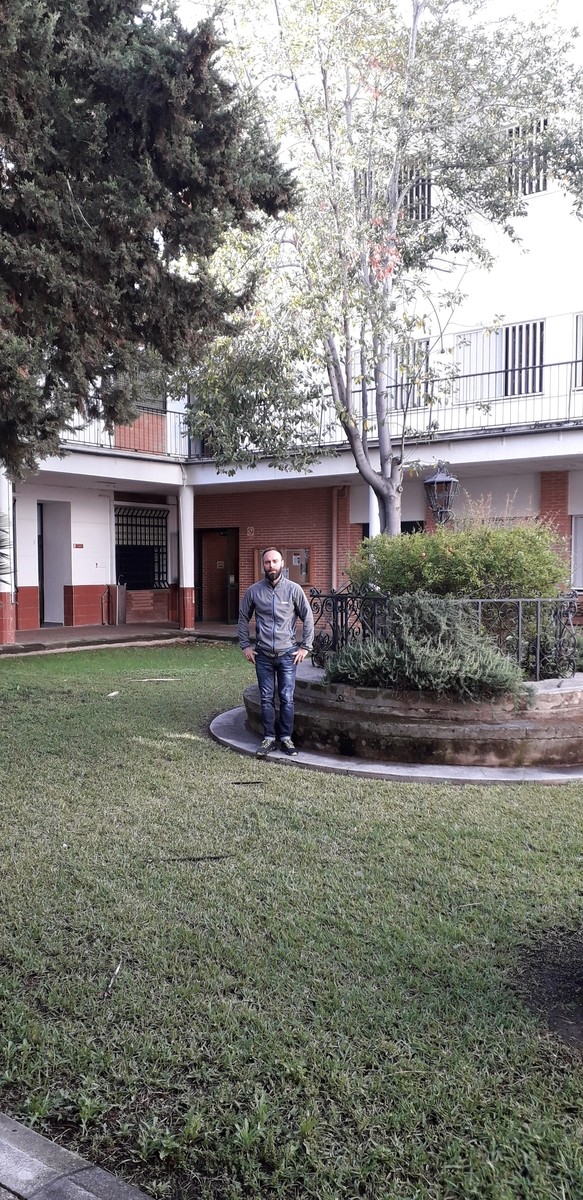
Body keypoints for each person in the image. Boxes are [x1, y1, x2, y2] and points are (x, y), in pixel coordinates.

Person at [238, 547, 314, 758]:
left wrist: (305, 647)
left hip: (287, 654)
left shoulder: (294, 590)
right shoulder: (254, 591)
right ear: (263, 565)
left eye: (274, 561)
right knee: (266, 698)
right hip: (262, 655)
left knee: (286, 698)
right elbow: (243, 618)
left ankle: (286, 739)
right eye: (267, 562)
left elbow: (308, 617)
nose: (271, 565)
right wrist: (245, 646)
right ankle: (269, 738)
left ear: (282, 564)